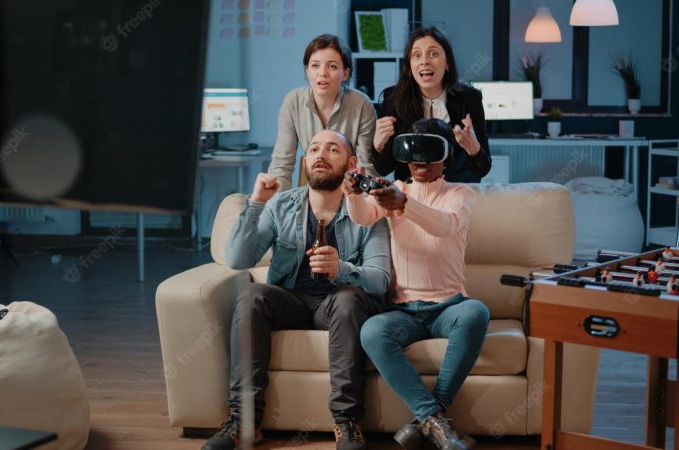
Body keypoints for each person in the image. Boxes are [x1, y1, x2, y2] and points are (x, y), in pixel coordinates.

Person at [205, 130, 391, 450]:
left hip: (337, 305)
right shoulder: (281, 204)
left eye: (332, 149)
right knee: (251, 295)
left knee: (349, 299)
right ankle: (244, 421)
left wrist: (342, 269)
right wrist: (256, 203)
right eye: (314, 148)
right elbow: (237, 258)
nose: (320, 154)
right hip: (290, 300)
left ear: (350, 164)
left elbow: (380, 280)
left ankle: (347, 422)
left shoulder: (368, 213)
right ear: (305, 161)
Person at [344, 119, 489, 450]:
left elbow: (446, 226)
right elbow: (362, 218)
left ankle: (425, 420)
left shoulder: (460, 194)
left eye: (429, 154)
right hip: (404, 311)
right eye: (414, 155)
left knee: (476, 312)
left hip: (449, 308)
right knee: (371, 331)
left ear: (446, 158)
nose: (420, 163)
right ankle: (434, 422)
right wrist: (353, 195)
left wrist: (404, 205)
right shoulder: (397, 188)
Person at [371, 26, 491, 183]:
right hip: (412, 196)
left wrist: (474, 149)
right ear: (409, 66)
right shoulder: (393, 99)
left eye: (433, 54)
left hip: (456, 193)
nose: (424, 61)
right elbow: (384, 169)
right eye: (417, 55)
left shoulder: (469, 98)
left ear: (447, 62)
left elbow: (482, 170)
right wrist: (377, 146)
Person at [267, 34, 377, 191]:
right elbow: (281, 165)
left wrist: (362, 208)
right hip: (313, 187)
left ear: (345, 73)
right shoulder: (293, 101)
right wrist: (275, 208)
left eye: (332, 66)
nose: (322, 73)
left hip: (350, 190)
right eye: (315, 65)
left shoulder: (361, 104)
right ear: (307, 70)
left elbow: (365, 166)